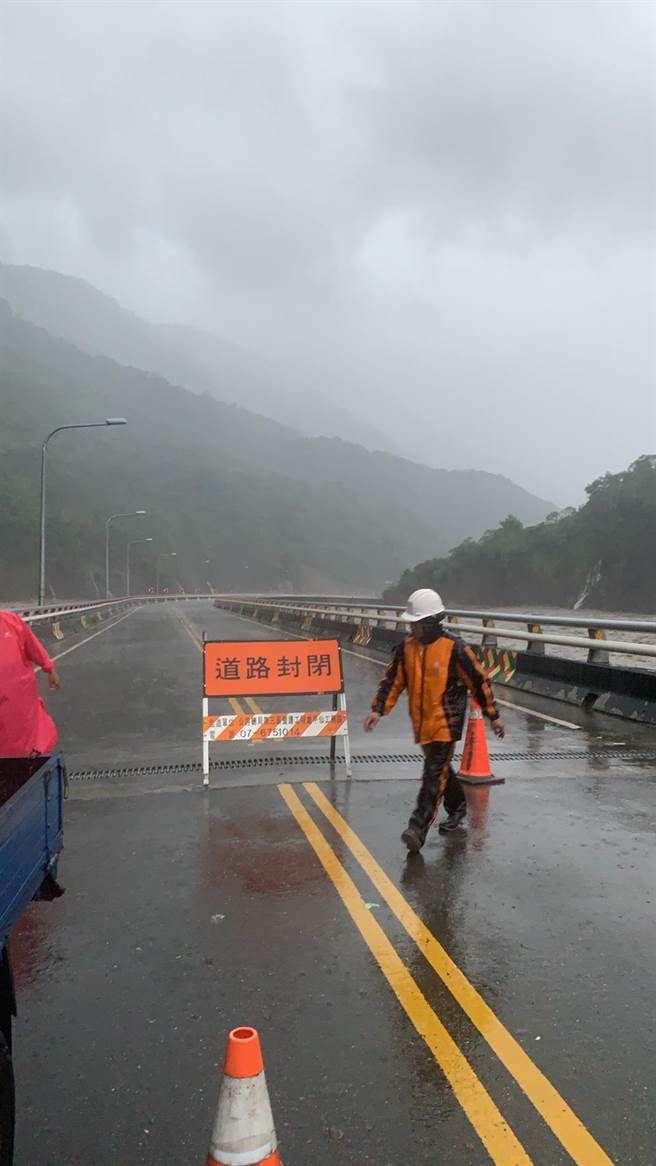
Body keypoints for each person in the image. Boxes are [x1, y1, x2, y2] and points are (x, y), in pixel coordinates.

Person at [364, 588, 505, 851]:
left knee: (432, 775)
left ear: (430, 623)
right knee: (439, 770)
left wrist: (493, 716)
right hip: (422, 722)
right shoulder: (406, 648)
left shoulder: (455, 648)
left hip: (446, 723)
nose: (412, 628)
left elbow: (478, 682)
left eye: (416, 623)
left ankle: (417, 829)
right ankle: (458, 805)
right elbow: (393, 681)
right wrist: (378, 710)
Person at [0, 610, 61, 757]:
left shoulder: (11, 621)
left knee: (24, 741)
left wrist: (49, 668)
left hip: (20, 700)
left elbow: (33, 646)